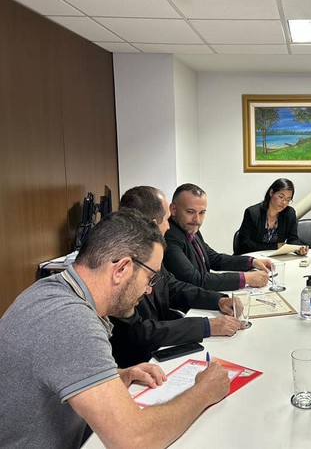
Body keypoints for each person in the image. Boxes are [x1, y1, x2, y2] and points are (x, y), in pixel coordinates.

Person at [0, 210, 230, 448]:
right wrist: (204, 392)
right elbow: (135, 440)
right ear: (121, 269)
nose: (149, 290)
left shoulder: (50, 291)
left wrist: (117, 376)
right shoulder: (70, 320)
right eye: (150, 278)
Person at [110, 186, 243, 368]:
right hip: (140, 365)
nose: (168, 226)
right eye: (166, 219)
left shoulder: (148, 253)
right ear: (151, 224)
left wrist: (218, 300)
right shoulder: (120, 266)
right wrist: (206, 326)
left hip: (162, 349)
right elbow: (139, 332)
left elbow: (172, 286)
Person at [164, 183, 272, 291]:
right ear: (173, 209)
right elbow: (196, 280)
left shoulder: (189, 227)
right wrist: (245, 278)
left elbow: (214, 259)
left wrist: (252, 262)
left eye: (202, 213)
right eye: (190, 212)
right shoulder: (169, 236)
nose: (197, 219)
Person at [235, 178, 308, 255]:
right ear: (271, 192)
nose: (284, 202)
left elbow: (293, 239)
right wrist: (276, 247)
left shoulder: (289, 213)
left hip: (274, 257)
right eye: (281, 197)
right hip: (249, 257)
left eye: (288, 200)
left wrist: (299, 248)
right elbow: (244, 243)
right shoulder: (252, 213)